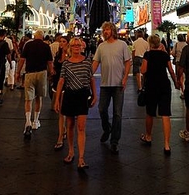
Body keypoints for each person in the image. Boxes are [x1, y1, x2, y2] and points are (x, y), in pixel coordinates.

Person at [53, 37, 96, 170]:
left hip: (82, 95)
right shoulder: (66, 63)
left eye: (78, 45)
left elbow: (91, 79)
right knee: (70, 125)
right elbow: (61, 81)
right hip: (70, 95)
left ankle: (81, 158)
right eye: (74, 45)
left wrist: (95, 94)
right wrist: (57, 99)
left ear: (82, 47)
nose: (77, 47)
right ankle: (71, 151)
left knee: (81, 126)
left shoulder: (87, 62)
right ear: (70, 48)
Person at [92, 21, 131, 154]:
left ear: (113, 31)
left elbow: (127, 62)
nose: (105, 32)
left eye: (107, 30)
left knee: (117, 114)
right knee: (102, 109)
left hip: (118, 85)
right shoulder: (101, 46)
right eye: (104, 30)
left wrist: (125, 77)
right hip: (105, 85)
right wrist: (87, 75)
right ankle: (107, 128)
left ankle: (115, 141)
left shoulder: (122, 45)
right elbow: (95, 63)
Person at [140, 34, 179, 154]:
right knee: (165, 114)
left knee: (150, 113)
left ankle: (148, 136)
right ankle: (167, 145)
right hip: (164, 86)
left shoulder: (148, 55)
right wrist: (176, 82)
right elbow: (171, 70)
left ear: (150, 44)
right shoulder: (164, 55)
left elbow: (143, 70)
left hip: (152, 86)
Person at [17, 29, 54, 139]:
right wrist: (51, 72)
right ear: (42, 37)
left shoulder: (28, 45)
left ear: (34, 36)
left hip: (29, 73)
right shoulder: (46, 46)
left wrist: (18, 72)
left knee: (28, 99)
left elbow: (22, 59)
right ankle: (35, 121)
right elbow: (50, 62)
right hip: (42, 73)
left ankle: (27, 121)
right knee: (39, 98)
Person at [51, 35, 69, 150]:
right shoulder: (58, 54)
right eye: (60, 41)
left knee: (64, 110)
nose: (61, 43)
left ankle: (62, 134)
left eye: (63, 41)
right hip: (57, 83)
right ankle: (62, 133)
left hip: (67, 85)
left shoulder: (70, 56)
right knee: (60, 110)